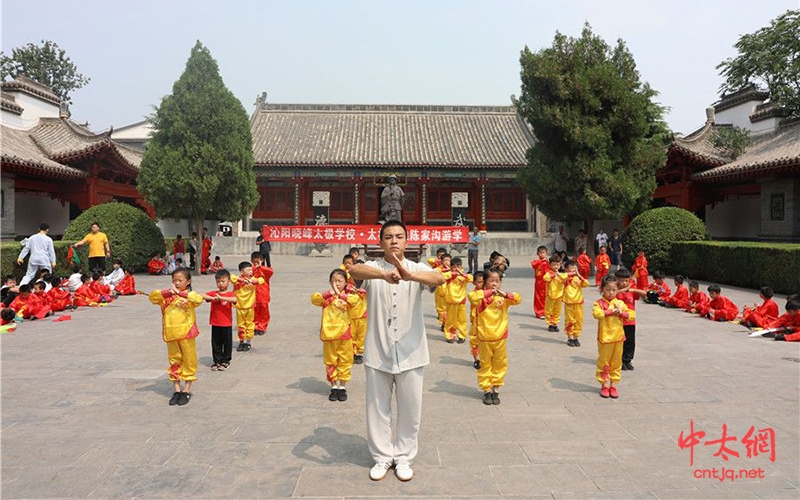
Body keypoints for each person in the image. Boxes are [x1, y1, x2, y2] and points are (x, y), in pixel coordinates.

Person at [348, 220, 444, 482]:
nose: (394, 241)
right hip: (378, 351)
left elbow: (439, 278)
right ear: (380, 243)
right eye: (388, 236)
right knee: (377, 407)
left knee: (411, 407)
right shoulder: (373, 269)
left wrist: (410, 276)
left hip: (412, 352)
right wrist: (382, 275)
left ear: (406, 241)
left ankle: (403, 456)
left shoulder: (416, 268)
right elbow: (354, 270)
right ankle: (381, 456)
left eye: (399, 236)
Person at [149, 268, 204, 406]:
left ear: (188, 281)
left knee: (189, 361)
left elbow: (198, 299)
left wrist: (180, 293)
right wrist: (169, 292)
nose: (177, 283)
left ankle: (186, 390)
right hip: (171, 334)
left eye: (180, 280)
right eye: (175, 280)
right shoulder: (167, 297)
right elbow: (153, 297)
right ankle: (177, 390)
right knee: (174, 361)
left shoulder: (189, 296)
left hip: (187, 334)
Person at [469, 267, 521, 405]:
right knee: (485, 365)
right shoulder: (480, 297)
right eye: (491, 281)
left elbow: (517, 298)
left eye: (497, 281)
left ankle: (495, 389)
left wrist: (505, 295)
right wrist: (488, 292)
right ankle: (486, 390)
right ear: (485, 282)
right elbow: (471, 297)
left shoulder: (502, 298)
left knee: (499, 364)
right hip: (484, 337)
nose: (494, 284)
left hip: (500, 337)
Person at [312, 269, 358, 402]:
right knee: (331, 361)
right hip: (329, 335)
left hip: (345, 335)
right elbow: (315, 299)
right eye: (333, 281)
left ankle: (342, 387)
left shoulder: (350, 296)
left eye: (339, 281)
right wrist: (329, 294)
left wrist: (340, 294)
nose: (336, 283)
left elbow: (354, 301)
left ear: (345, 282)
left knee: (345, 361)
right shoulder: (327, 297)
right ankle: (333, 386)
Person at [592, 275, 635, 399]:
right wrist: (610, 312)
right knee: (604, 362)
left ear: (617, 290)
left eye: (613, 290)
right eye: (608, 290)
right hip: (605, 339)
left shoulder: (620, 303)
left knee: (616, 362)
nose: (611, 293)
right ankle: (604, 385)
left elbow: (632, 314)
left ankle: (613, 385)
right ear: (602, 290)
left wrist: (622, 313)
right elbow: (597, 314)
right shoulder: (599, 303)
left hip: (618, 337)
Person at [202, 269, 237, 371]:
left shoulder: (230, 294)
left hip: (226, 323)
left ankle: (226, 360)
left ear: (229, 281)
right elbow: (202, 295)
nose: (220, 284)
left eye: (223, 281)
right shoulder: (214, 293)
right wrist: (213, 299)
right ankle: (217, 361)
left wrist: (222, 298)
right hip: (215, 322)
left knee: (227, 343)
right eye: (218, 282)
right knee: (216, 343)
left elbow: (235, 300)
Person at [615, 269, 646, 371]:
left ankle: (627, 360)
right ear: (616, 280)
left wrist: (633, 290)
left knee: (630, 342)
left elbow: (645, 294)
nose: (624, 283)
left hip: (630, 321)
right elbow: (608, 295)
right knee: (620, 342)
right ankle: (619, 360)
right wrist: (622, 290)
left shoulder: (631, 291)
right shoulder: (614, 290)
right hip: (617, 321)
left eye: (626, 281)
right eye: (621, 280)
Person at [231, 261, 265, 352]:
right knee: (241, 326)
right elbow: (231, 277)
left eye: (251, 269)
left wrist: (253, 281)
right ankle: (241, 341)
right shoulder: (237, 280)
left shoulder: (253, 279)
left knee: (249, 324)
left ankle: (248, 341)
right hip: (240, 307)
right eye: (248, 270)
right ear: (242, 272)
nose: (251, 271)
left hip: (250, 307)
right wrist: (243, 280)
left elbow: (262, 280)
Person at [443, 257, 473, 343]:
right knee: (450, 320)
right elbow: (443, 277)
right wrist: (454, 274)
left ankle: (462, 336)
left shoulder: (463, 275)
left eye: (458, 266)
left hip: (461, 302)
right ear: (451, 267)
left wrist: (462, 274)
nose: (457, 268)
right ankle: (449, 336)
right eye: (454, 267)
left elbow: (471, 279)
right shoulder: (448, 274)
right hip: (451, 301)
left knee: (462, 320)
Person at [562, 260, 589, 347]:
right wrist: (568, 274)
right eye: (571, 270)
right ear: (566, 270)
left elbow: (586, 284)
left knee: (578, 321)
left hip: (578, 302)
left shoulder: (577, 279)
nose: (573, 272)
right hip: (569, 303)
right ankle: (570, 338)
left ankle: (576, 337)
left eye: (574, 270)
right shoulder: (565, 278)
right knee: (569, 321)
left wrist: (579, 275)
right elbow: (561, 277)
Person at [345, 276, 368, 365]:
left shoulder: (366, 285)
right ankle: (352, 353)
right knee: (352, 336)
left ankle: (359, 353)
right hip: (351, 317)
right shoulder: (348, 287)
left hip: (363, 316)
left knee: (361, 336)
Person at [251, 252, 274, 336]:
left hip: (264, 295)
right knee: (255, 312)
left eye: (258, 261)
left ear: (262, 260)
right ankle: (255, 326)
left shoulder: (265, 270)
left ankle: (262, 327)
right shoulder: (251, 270)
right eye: (254, 262)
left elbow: (271, 271)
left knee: (264, 312)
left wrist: (260, 266)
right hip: (253, 295)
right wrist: (254, 268)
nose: (256, 264)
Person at [543, 255, 566, 332]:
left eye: (558, 265)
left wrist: (558, 274)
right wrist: (553, 275)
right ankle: (550, 323)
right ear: (550, 265)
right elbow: (545, 278)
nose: (556, 266)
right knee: (549, 310)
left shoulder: (561, 274)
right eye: (554, 265)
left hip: (559, 296)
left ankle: (555, 323)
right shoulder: (548, 273)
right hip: (550, 295)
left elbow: (565, 278)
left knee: (557, 311)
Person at [468, 271, 485, 370]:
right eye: (479, 282)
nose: (481, 284)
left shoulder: (489, 291)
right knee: (474, 341)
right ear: (474, 283)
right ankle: (476, 359)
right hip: (476, 322)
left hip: (486, 323)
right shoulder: (473, 294)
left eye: (483, 282)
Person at [530, 245, 549, 319]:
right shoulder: (537, 262)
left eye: (544, 253)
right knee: (538, 298)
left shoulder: (548, 262)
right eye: (540, 253)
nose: (542, 254)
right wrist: (542, 261)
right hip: (539, 283)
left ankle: (546, 312)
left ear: (546, 253)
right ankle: (539, 313)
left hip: (546, 283)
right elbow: (533, 264)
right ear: (538, 254)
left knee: (546, 298)